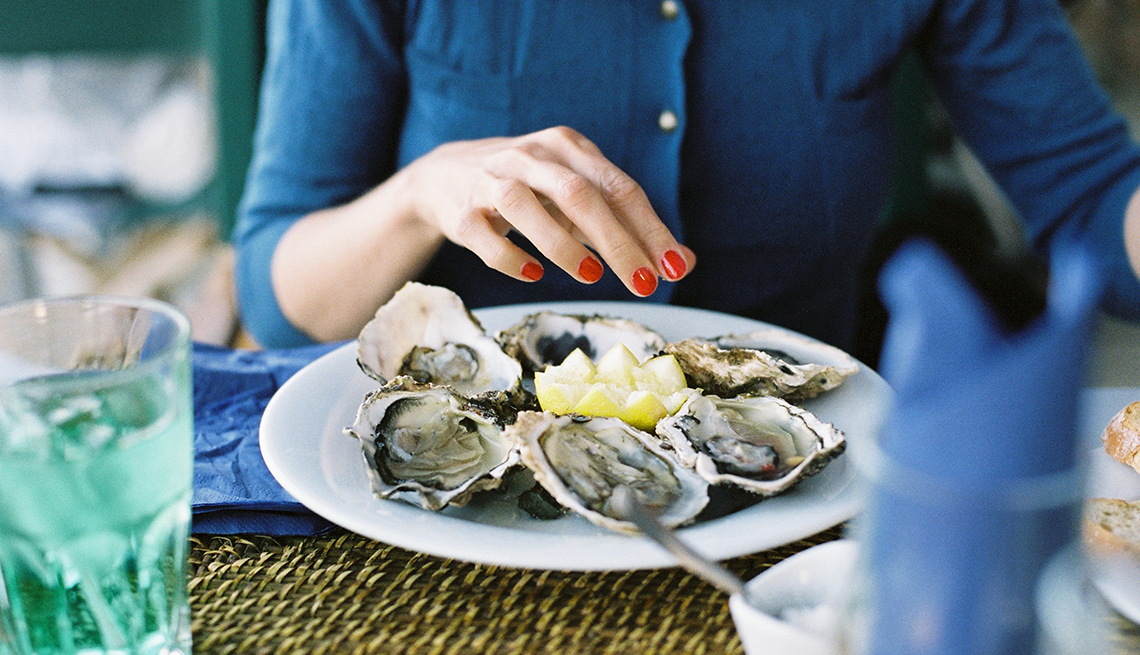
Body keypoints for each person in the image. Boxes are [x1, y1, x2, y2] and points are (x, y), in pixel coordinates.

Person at [233, 0, 1140, 351]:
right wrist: (417, 195)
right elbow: (280, 296)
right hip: (451, 512)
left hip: (795, 516)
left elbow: (1097, 202)